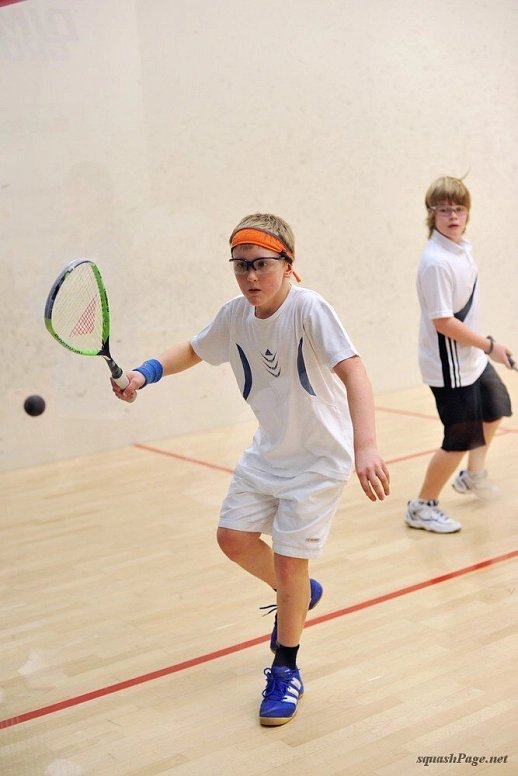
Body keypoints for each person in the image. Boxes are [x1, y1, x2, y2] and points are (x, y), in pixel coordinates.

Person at [113, 213, 390, 725]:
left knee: (288, 562)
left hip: (319, 460)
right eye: (240, 266)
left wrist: (366, 446)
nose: (250, 276)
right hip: (269, 452)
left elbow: (354, 371)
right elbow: (194, 349)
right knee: (232, 539)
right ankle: (299, 596)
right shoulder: (235, 315)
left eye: (261, 264)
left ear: (288, 264)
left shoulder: (309, 309)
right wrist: (143, 373)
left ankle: (286, 668)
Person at [406, 177, 513, 534]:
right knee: (460, 438)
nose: (453, 216)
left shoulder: (460, 248)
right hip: (448, 365)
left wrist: (484, 348)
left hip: (471, 357)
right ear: (431, 214)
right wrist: (490, 346)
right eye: (444, 209)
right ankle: (422, 506)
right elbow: (443, 322)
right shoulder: (436, 262)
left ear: (467, 213)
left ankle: (473, 474)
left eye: (459, 209)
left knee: (496, 407)